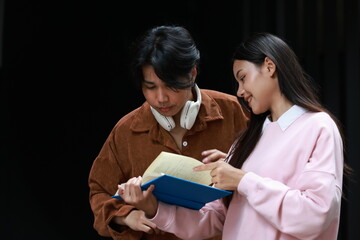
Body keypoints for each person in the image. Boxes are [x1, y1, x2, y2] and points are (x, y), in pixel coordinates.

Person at [118, 32, 350, 240]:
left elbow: (315, 216)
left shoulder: (318, 127)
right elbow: (213, 219)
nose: (239, 91)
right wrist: (154, 208)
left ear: (269, 66)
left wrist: (243, 180)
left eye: (243, 77)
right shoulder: (246, 140)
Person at [88, 25, 249, 240]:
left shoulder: (234, 112)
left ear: (192, 73)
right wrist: (126, 217)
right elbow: (99, 191)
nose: (161, 98)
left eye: (171, 86)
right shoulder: (126, 131)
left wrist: (238, 171)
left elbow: (272, 178)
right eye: (150, 87)